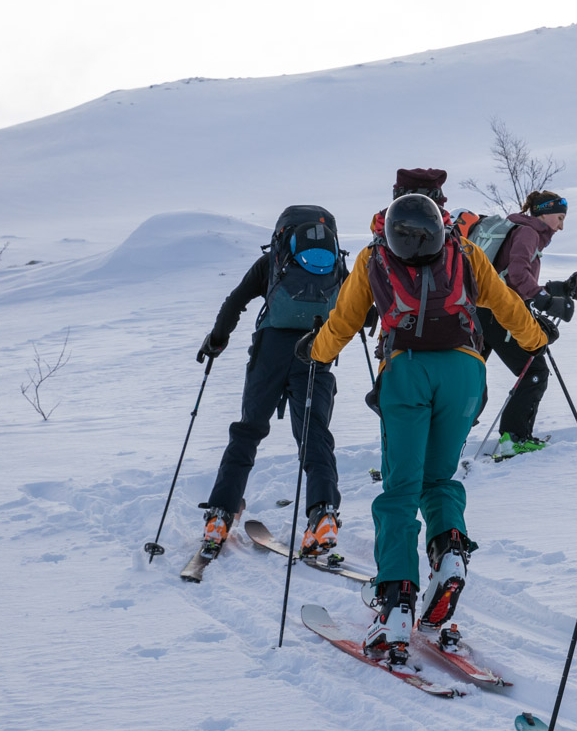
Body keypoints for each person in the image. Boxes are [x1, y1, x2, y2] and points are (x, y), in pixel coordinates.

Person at [302, 193, 548, 662]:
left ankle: (395, 606)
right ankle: (449, 554)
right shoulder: (466, 250)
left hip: (407, 372)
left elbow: (345, 318)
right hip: (465, 371)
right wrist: (535, 339)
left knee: (400, 490)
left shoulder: (374, 257)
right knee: (438, 480)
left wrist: (317, 352)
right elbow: (505, 302)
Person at [194, 205, 346, 564]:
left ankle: (220, 516)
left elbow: (236, 301)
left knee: (247, 432)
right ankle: (323, 515)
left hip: (270, 351)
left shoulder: (273, 262)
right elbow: (362, 308)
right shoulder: (338, 266)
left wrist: (217, 339)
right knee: (314, 435)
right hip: (316, 351)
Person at [482, 189, 570, 452]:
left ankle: (443, 441)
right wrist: (542, 299)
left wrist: (559, 289)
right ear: (544, 214)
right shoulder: (529, 232)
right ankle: (514, 439)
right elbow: (518, 275)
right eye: (559, 218)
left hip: (483, 310)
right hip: (499, 312)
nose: (561, 226)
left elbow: (513, 276)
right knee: (534, 370)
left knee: (469, 375)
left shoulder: (521, 229)